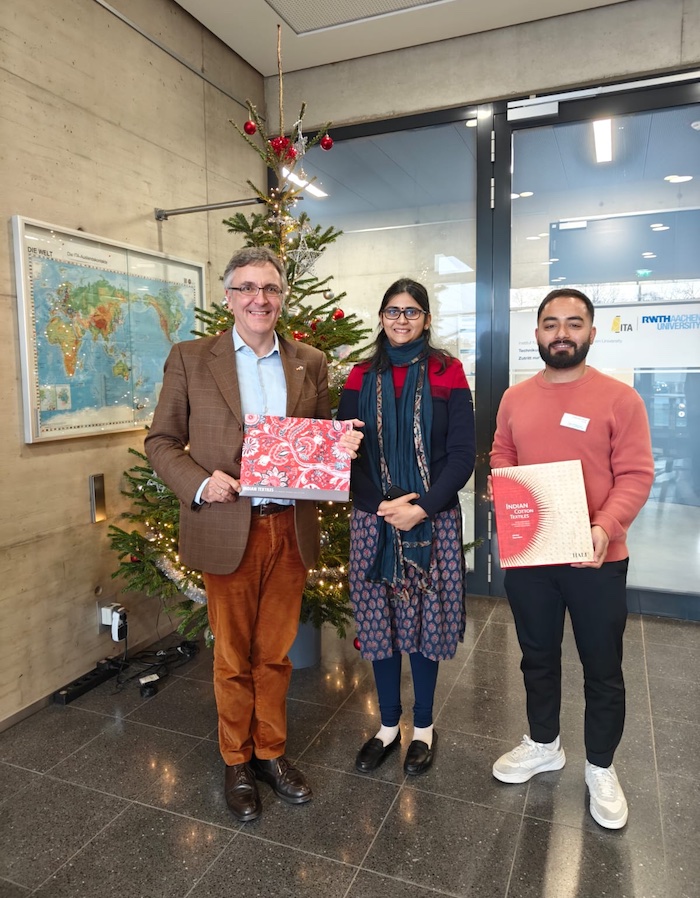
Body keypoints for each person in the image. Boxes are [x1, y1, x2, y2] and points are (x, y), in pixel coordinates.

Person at [145, 247, 361, 823]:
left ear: (282, 295)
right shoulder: (192, 358)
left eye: (268, 288)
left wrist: (337, 446)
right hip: (226, 527)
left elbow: (317, 439)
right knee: (232, 658)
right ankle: (235, 760)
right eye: (246, 288)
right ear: (228, 296)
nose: (258, 299)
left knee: (276, 654)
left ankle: (271, 752)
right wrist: (197, 481)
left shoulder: (308, 361)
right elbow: (160, 442)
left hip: (288, 528)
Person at [489, 287, 654, 829]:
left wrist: (606, 527)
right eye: (551, 323)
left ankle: (601, 766)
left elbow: (635, 474)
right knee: (537, 656)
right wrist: (502, 485)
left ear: (591, 331)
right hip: (532, 556)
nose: (562, 333)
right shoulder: (515, 397)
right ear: (536, 332)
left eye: (574, 323)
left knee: (602, 667)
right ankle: (543, 743)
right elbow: (502, 452)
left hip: (598, 560)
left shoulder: (619, 399)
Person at [337, 278, 475, 776]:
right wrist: (379, 505)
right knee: (381, 624)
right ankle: (388, 726)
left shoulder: (448, 372)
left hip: (431, 519)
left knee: (425, 625)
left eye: (412, 311)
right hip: (374, 519)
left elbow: (462, 454)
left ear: (427, 319)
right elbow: (344, 453)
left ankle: (423, 729)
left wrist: (423, 507)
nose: (401, 319)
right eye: (393, 311)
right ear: (380, 317)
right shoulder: (358, 376)